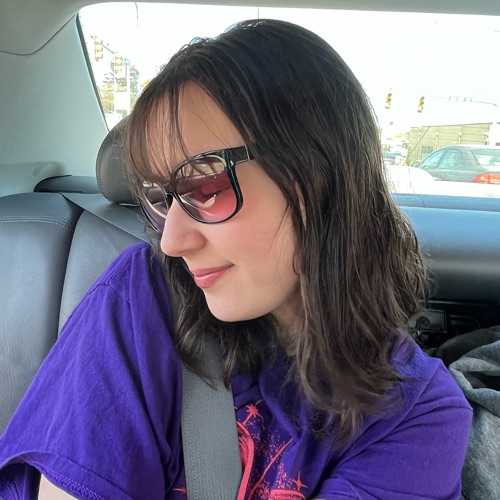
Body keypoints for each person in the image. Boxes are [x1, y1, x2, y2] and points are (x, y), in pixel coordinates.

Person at [0, 19, 472, 499]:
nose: (172, 242)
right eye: (161, 197)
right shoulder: (143, 301)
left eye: (204, 186)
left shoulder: (416, 416)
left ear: (319, 176)